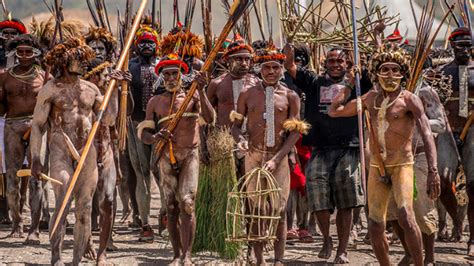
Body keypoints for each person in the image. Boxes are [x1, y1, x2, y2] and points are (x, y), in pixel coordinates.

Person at [328, 44, 441, 266]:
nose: (390, 75)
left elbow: (427, 134)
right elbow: (334, 110)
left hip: (403, 166)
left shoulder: (409, 100)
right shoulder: (370, 98)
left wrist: (433, 170)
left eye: (395, 70)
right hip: (378, 168)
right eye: (385, 70)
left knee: (407, 217)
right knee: (375, 225)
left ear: (403, 74)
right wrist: (351, 83)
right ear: (377, 73)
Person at [30, 37, 117, 265]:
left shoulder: (91, 89)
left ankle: (76, 260)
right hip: (60, 150)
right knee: (62, 202)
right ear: (66, 61)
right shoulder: (51, 89)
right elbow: (38, 126)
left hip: (87, 153)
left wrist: (114, 91)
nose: (85, 63)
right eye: (80, 59)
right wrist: (36, 159)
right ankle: (56, 256)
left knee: (85, 208)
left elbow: (108, 119)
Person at [283, 43, 367, 263]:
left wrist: (361, 64)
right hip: (319, 148)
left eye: (340, 60)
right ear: (325, 64)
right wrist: (289, 47)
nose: (335, 65)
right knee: (317, 197)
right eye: (331, 61)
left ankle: (342, 249)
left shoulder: (357, 83)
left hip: (349, 147)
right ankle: (326, 238)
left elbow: (372, 74)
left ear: (347, 62)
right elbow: (290, 66)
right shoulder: (314, 82)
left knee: (346, 202)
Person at [139, 53, 214, 265]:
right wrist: (155, 137)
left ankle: (187, 255)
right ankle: (175, 254)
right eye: (167, 74)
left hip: (190, 154)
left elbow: (210, 118)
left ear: (182, 75)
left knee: (188, 204)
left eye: (175, 73)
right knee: (171, 206)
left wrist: (200, 89)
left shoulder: (193, 97)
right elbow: (144, 134)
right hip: (166, 156)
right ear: (162, 77)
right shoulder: (155, 102)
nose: (171, 77)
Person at [231, 44, 304, 265]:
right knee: (255, 209)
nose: (271, 71)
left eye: (275, 67)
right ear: (259, 69)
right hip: (253, 156)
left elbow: (295, 133)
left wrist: (278, 158)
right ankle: (259, 258)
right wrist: (240, 141)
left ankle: (278, 259)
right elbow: (235, 125)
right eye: (266, 67)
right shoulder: (247, 94)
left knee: (279, 210)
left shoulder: (291, 96)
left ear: (282, 69)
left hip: (278, 159)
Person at [387, 79, 446, 264]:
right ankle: (410, 252)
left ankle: (429, 257)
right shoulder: (384, 92)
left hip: (418, 155)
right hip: (392, 158)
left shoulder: (426, 91)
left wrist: (414, 116)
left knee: (421, 209)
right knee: (392, 210)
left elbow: (441, 124)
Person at [0, 34, 49, 244]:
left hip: (37, 126)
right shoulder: (4, 76)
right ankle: (17, 223)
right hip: (12, 125)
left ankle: (34, 229)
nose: (24, 56)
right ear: (14, 53)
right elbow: (2, 106)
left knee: (36, 178)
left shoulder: (44, 77)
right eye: (20, 52)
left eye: (28, 52)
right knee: (11, 178)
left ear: (36, 53)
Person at [439, 27, 474, 255]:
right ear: (452, 46)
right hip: (448, 130)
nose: (465, 49)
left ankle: (473, 238)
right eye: (460, 45)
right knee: (442, 181)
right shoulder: (442, 72)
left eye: (469, 45)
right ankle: (456, 220)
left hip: (473, 131)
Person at [127, 24, 160, 241]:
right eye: (142, 42)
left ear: (157, 46)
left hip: (161, 126)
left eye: (151, 42)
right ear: (136, 46)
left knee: (162, 171)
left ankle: (166, 215)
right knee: (141, 172)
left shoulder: (164, 67)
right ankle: (146, 223)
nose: (147, 46)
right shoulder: (130, 67)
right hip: (136, 122)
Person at [0, 17, 28, 225]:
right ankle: (4, 207)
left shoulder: (28, 60)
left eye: (13, 34)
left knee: (25, 164)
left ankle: (21, 202)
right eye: (5, 33)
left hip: (25, 120)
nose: (9, 37)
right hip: (2, 120)